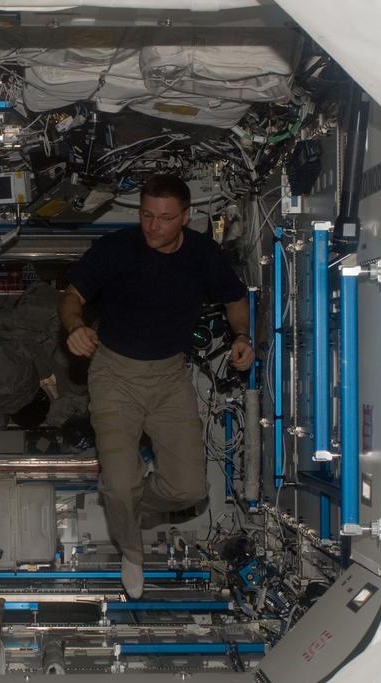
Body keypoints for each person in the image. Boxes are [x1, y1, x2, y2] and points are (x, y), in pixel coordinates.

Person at [59, 174, 253, 599]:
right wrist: (74, 325)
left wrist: (241, 336)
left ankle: (123, 505)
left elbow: (235, 298)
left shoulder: (204, 254)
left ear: (186, 217)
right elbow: (71, 295)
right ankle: (131, 547)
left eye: (165, 219)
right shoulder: (116, 248)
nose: (153, 226)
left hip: (169, 376)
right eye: (146, 215)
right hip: (113, 373)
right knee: (122, 480)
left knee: (189, 490)